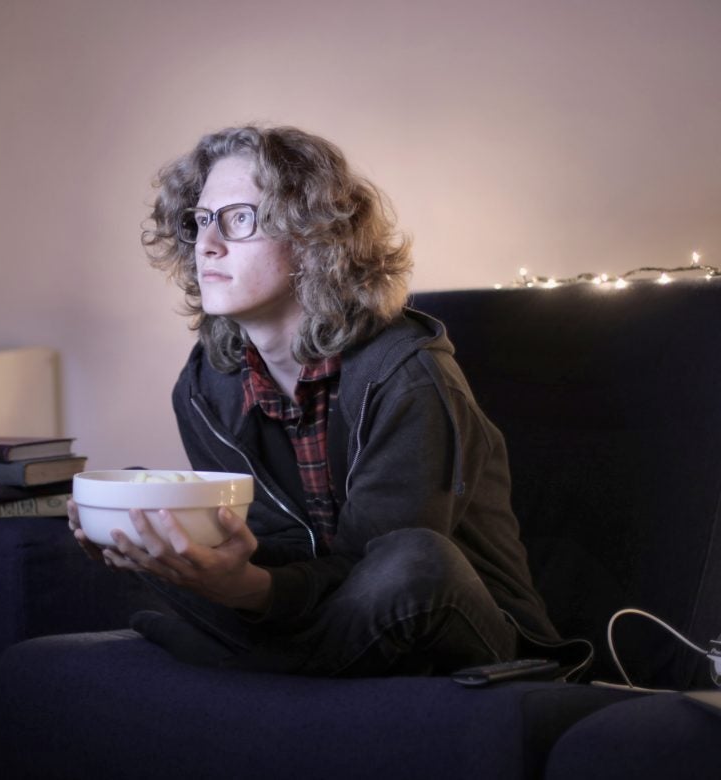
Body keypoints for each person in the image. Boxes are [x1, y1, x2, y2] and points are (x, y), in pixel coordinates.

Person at [67, 125, 584, 678]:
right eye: (201, 220)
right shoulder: (204, 387)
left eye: (239, 219)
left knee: (415, 561)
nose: (207, 245)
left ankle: (256, 664)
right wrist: (189, 557)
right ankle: (276, 663)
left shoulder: (408, 377)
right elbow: (276, 548)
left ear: (313, 239)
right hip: (310, 612)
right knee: (143, 508)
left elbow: (371, 570)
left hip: (459, 625)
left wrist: (248, 590)